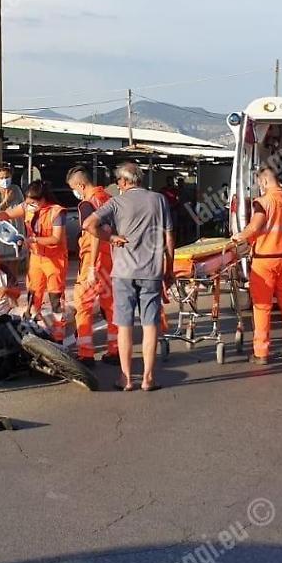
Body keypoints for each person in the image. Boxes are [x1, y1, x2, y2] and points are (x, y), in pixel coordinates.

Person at [83, 161, 174, 392]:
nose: (118, 185)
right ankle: (148, 378)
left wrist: (111, 238)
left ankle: (126, 379)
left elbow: (88, 224)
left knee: (124, 325)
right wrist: (169, 269)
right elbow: (169, 237)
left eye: (118, 181)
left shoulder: (116, 202)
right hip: (152, 272)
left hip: (123, 273)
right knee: (150, 325)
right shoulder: (159, 200)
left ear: (124, 181)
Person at [231, 166, 282, 364]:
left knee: (262, 306)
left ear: (264, 181)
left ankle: (261, 352)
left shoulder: (264, 202)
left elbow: (255, 226)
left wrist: (239, 237)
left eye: (259, 183)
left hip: (265, 261)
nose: (260, 187)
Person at [0, 180, 68, 344]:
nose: (30, 205)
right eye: (28, 202)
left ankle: (59, 337)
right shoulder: (27, 206)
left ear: (43, 199)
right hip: (36, 258)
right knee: (33, 296)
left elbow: (56, 239)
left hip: (54, 260)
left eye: (33, 202)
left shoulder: (57, 212)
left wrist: (33, 240)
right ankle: (34, 330)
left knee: (56, 299)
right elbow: (7, 214)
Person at [66, 165, 119, 365]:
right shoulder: (108, 198)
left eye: (74, 188)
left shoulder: (86, 204)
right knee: (111, 306)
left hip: (93, 260)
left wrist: (90, 269)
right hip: (111, 259)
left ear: (80, 185)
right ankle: (115, 351)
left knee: (83, 306)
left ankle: (86, 353)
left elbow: (94, 232)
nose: (75, 192)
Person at [0, 163, 25, 267]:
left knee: (14, 264)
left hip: (15, 232)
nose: (5, 180)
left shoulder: (16, 189)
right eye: (1, 178)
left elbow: (23, 207)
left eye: (7, 177)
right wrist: (6, 201)